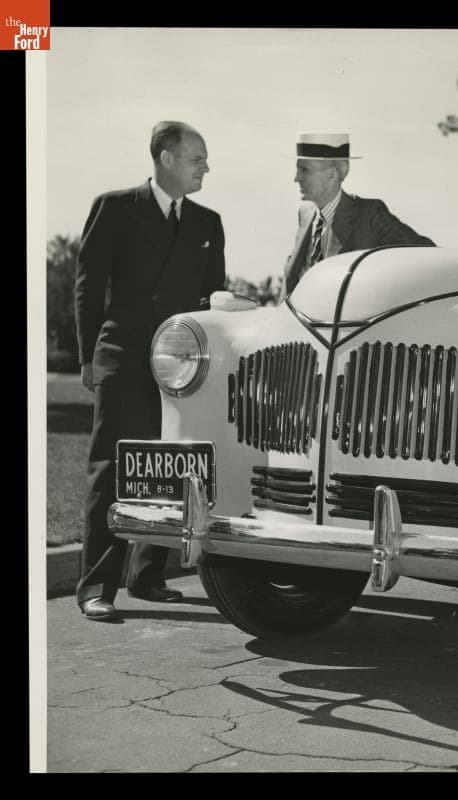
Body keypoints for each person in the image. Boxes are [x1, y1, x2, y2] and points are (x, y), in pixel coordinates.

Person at [74, 121, 226, 621]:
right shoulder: (115, 208)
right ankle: (97, 585)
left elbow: (209, 303)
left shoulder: (208, 223)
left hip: (179, 371)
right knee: (111, 470)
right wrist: (87, 357)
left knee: (168, 469)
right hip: (121, 357)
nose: (206, 167)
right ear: (165, 158)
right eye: (196, 158)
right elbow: (88, 285)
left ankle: (147, 575)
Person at [281, 133, 433, 299]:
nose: (296, 178)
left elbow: (428, 256)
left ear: (332, 175)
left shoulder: (370, 215)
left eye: (305, 170)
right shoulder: (306, 215)